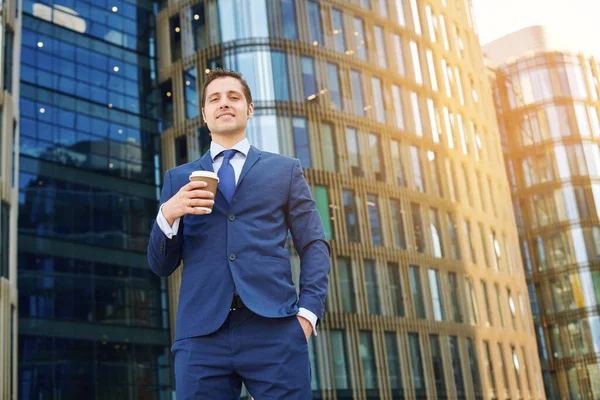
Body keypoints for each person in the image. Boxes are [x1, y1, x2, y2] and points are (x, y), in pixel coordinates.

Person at [147, 69, 331, 399]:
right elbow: (161, 266)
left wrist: (307, 314)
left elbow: (314, 243)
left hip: (275, 329)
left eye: (234, 97)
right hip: (201, 336)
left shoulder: (285, 170)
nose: (224, 104)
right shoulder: (179, 179)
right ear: (204, 114)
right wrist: (168, 214)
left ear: (250, 108)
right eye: (214, 99)